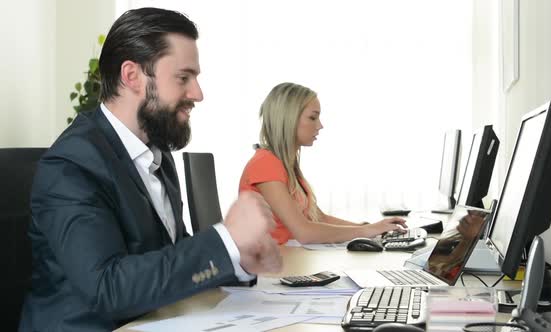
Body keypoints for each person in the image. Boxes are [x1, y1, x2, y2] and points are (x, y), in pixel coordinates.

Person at [20, 8, 282, 332]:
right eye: (183, 78)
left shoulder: (157, 154)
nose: (198, 93)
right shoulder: (70, 167)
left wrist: (237, 259)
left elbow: (171, 257)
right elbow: (108, 288)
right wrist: (225, 240)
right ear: (132, 76)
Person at [239, 82, 407, 245]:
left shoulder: (286, 165)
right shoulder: (265, 164)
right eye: (313, 117)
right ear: (288, 119)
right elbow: (304, 232)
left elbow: (319, 218)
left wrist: (371, 228)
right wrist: (365, 231)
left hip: (289, 258)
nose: (320, 125)